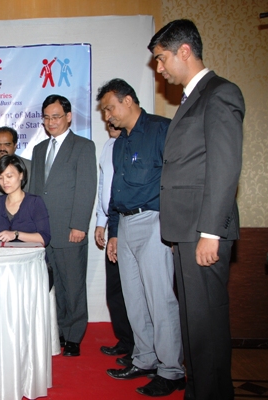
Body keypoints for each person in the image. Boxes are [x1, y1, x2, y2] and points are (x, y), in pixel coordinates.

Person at [149, 19, 244, 400]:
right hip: (186, 233)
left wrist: (210, 232)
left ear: (184, 51)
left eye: (161, 58)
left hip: (204, 232)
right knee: (194, 329)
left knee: (207, 329)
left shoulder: (219, 93)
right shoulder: (191, 100)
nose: (159, 68)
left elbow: (224, 167)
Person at [97, 78, 185, 397]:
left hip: (154, 222)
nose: (107, 116)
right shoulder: (120, 142)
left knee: (159, 299)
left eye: (110, 108)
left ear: (128, 100)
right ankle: (145, 359)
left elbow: (178, 181)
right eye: (104, 111)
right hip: (124, 224)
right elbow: (117, 192)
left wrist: (174, 229)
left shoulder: (162, 130)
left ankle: (172, 370)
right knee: (134, 300)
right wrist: (114, 233)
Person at [28, 94, 97, 357]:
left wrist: (79, 225)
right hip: (44, 232)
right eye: (46, 117)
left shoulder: (83, 146)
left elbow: (86, 188)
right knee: (51, 284)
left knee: (73, 285)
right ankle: (57, 331)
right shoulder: (39, 149)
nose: (51, 122)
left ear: (68, 117)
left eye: (56, 116)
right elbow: (35, 191)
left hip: (70, 230)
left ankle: (74, 336)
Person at [94, 123, 134, 365]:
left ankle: (140, 346)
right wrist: (101, 222)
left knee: (134, 291)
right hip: (113, 225)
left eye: (112, 113)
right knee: (115, 289)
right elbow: (103, 187)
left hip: (132, 222)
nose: (108, 120)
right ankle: (126, 340)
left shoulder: (133, 144)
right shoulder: (109, 146)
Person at [0, 155, 50, 246]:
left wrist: (16, 234)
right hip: (4, 253)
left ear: (21, 175)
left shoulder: (34, 202)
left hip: (29, 254)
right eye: (0, 178)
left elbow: (44, 238)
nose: (5, 182)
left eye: (9, 176)